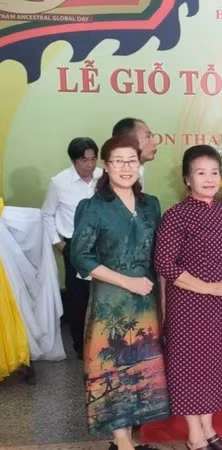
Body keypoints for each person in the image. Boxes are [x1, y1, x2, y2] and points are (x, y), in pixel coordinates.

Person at [70, 135, 168, 450]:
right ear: (106, 166)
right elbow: (81, 257)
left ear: (139, 164)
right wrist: (127, 282)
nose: (126, 167)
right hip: (110, 301)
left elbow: (160, 254)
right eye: (118, 161)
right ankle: (121, 440)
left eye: (131, 160)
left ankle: (128, 440)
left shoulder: (150, 204)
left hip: (146, 302)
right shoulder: (94, 207)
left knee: (140, 369)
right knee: (112, 367)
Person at [154, 145, 222, 450]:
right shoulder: (177, 215)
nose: (209, 179)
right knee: (191, 367)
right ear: (187, 179)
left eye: (214, 172)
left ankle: (209, 429)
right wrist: (207, 287)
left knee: (215, 366)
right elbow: (164, 262)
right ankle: (194, 435)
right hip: (189, 305)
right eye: (200, 173)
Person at [41, 137, 103, 359]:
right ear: (74, 160)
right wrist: (58, 243)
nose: (90, 165)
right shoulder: (59, 182)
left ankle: (101, 342)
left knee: (101, 295)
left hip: (102, 245)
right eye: (84, 160)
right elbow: (47, 214)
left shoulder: (103, 177)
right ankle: (80, 344)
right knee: (78, 297)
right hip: (73, 246)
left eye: (93, 159)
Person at [112, 118, 157, 188]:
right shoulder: (121, 180)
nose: (154, 143)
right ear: (128, 140)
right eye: (148, 136)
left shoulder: (138, 173)